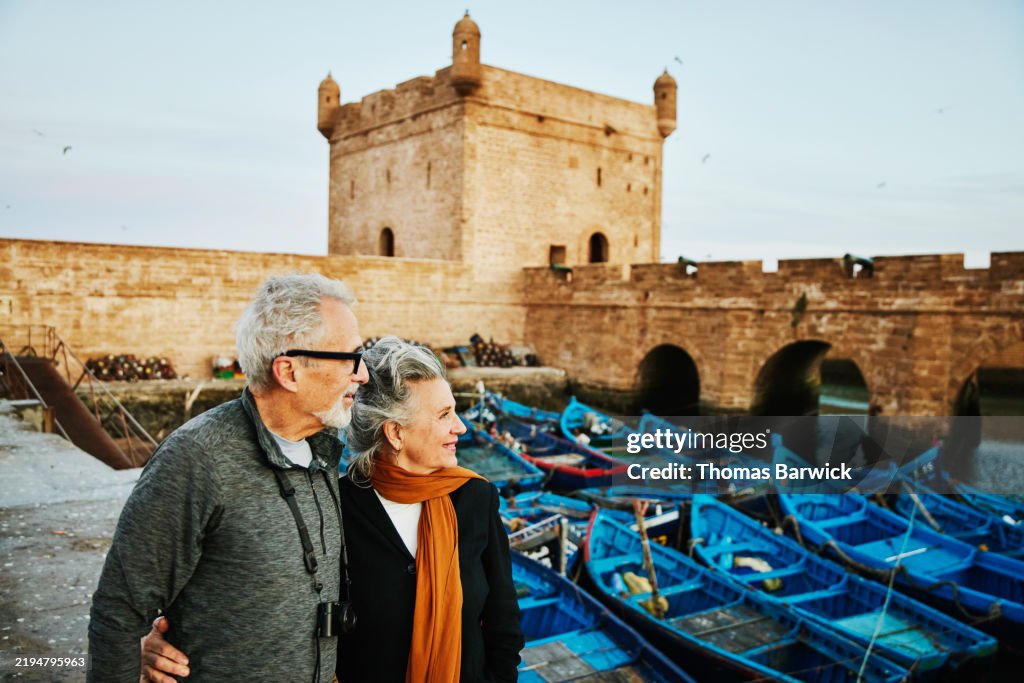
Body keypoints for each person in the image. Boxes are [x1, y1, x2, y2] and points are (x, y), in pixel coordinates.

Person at [141, 336, 524, 682]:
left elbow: (503, 622)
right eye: (444, 415)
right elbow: (258, 595)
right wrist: (157, 638)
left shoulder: (476, 497)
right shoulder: (332, 505)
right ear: (395, 433)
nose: (461, 427)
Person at [87, 273, 369, 683]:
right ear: (289, 372)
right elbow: (119, 611)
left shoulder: (324, 447)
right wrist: (134, 654)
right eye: (351, 358)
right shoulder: (197, 458)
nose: (362, 374)